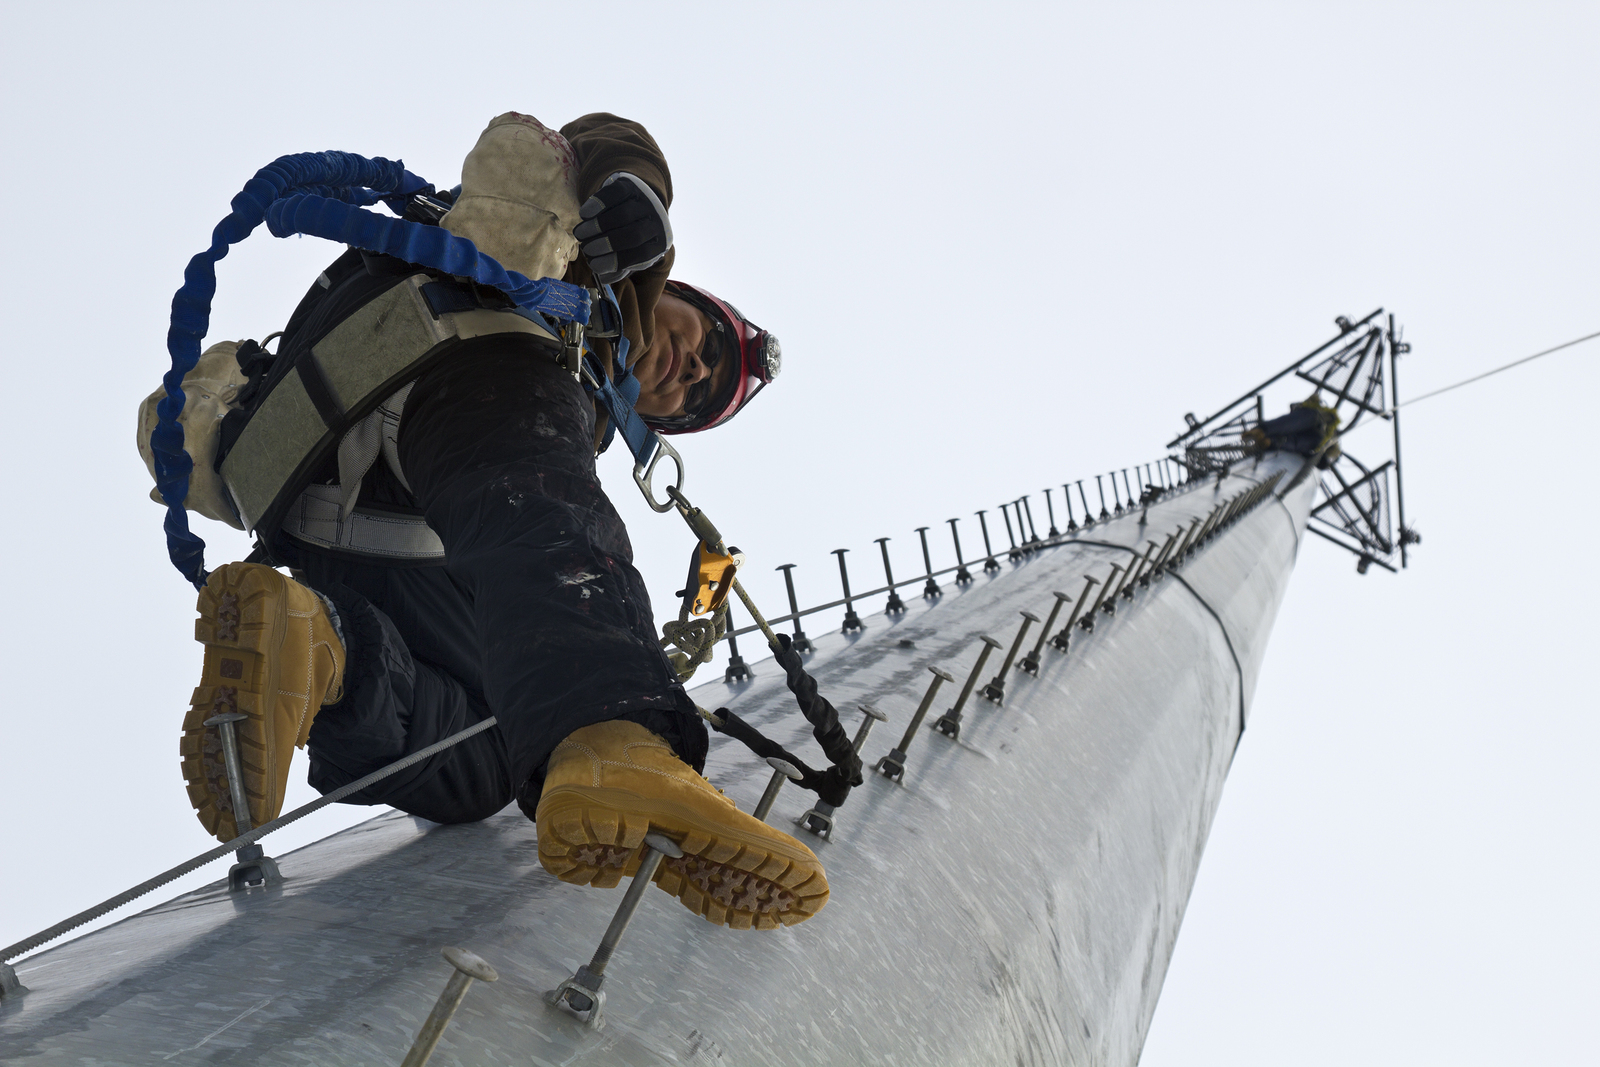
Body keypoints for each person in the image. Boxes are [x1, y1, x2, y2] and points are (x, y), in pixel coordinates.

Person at [176, 112, 824, 931]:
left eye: (698, 396)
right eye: (705, 348)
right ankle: (614, 733)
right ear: (681, 298)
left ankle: (319, 643)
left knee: (484, 758)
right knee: (552, 526)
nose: (691, 371)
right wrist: (636, 196)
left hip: (340, 519)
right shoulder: (609, 270)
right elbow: (608, 140)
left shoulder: (592, 386)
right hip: (453, 372)